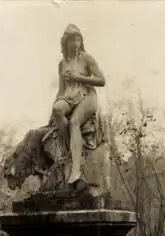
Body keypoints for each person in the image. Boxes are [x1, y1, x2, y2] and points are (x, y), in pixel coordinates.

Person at [52, 24, 105, 185]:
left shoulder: (87, 58)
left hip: (87, 95)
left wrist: (78, 77)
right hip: (70, 95)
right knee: (57, 109)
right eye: (72, 41)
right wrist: (54, 108)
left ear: (81, 42)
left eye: (78, 40)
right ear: (65, 43)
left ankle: (76, 168)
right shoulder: (62, 64)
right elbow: (61, 89)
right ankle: (71, 150)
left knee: (75, 121)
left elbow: (101, 80)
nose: (75, 44)